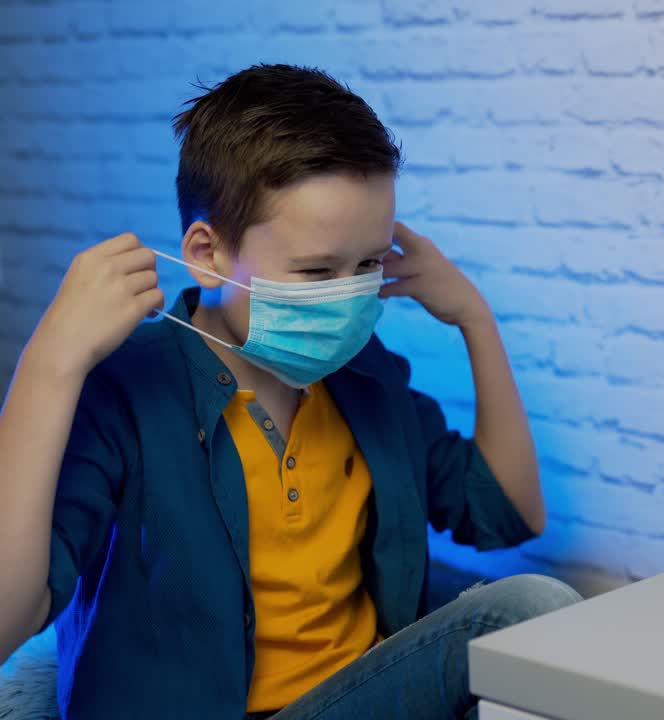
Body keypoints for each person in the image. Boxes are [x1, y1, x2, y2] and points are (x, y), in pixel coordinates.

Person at [0, 63, 581, 719]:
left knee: (535, 619)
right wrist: (48, 366)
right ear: (206, 252)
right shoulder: (127, 390)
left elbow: (508, 513)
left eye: (367, 265)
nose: (349, 295)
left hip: (358, 697)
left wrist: (476, 320)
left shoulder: (366, 373)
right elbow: (10, 618)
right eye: (316, 270)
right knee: (528, 611)